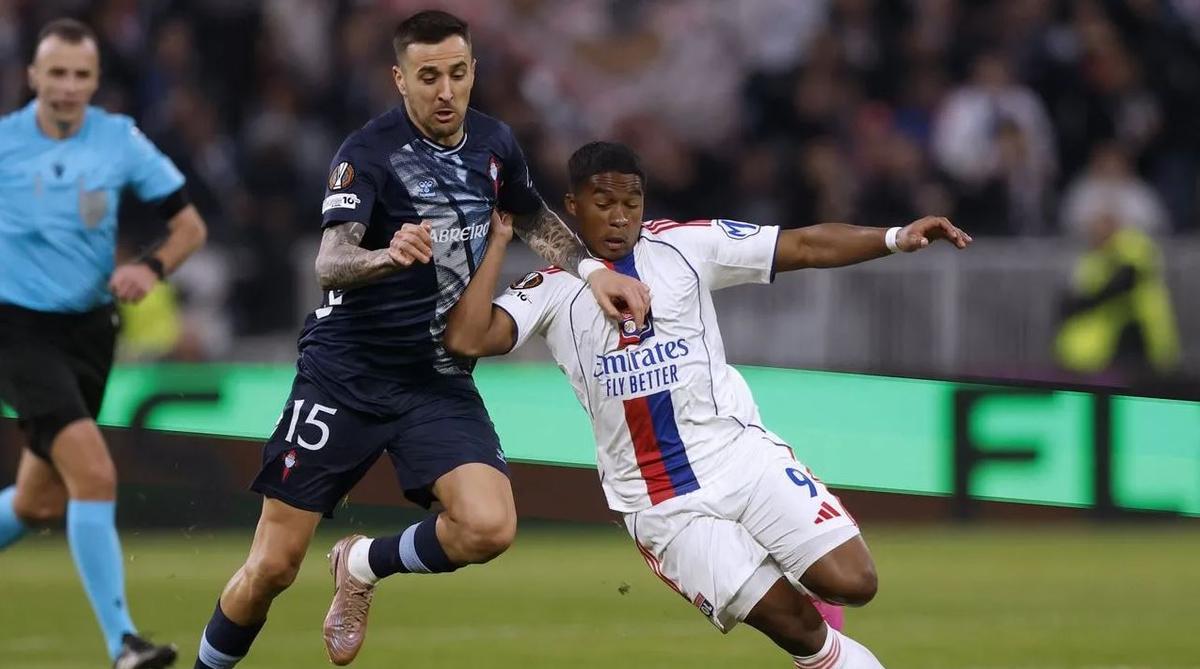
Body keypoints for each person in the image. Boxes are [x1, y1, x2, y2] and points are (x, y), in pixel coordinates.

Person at [191, 11, 647, 669]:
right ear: (399, 79)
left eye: (457, 74)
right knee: (273, 566)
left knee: (490, 527)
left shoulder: (494, 143)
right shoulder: (367, 153)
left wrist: (592, 269)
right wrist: (384, 255)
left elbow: (530, 216)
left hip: (436, 377)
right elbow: (330, 259)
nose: (445, 91)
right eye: (428, 76)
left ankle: (363, 562)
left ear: (472, 74)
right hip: (345, 374)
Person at [444, 141, 972, 668]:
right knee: (800, 629)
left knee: (855, 582)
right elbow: (468, 339)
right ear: (573, 205)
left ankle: (783, 568)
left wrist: (894, 238)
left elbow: (804, 246)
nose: (619, 216)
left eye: (632, 203)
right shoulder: (550, 288)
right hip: (660, 504)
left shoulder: (687, 246)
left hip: (739, 457)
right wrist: (498, 244)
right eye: (603, 203)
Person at [0, 18, 208, 669]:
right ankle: (123, 641)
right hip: (17, 330)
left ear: (95, 80)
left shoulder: (117, 139)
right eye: (55, 73)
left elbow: (190, 226)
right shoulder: (4, 146)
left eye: (80, 75)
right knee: (94, 471)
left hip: (90, 333)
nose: (67, 87)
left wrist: (149, 266)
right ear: (32, 77)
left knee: (39, 500)